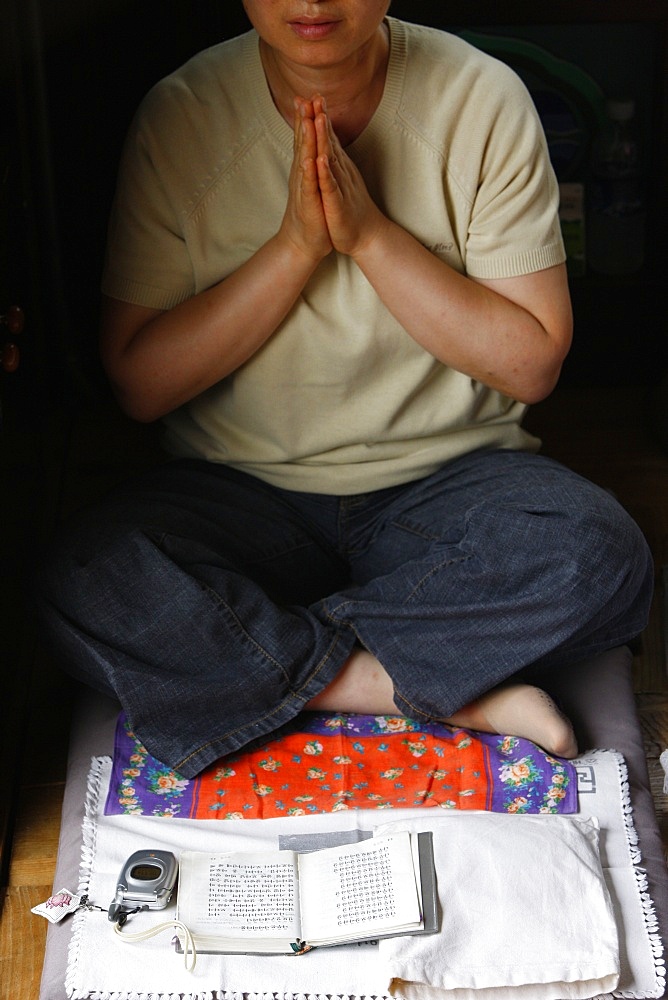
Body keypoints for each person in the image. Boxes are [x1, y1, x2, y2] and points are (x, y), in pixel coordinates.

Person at [35, 0, 653, 778]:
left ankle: (262, 659)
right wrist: (296, 247)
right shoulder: (181, 113)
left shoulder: (480, 97)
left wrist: (369, 237)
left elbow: (531, 364)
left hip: (447, 487)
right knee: (89, 577)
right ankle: (409, 683)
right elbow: (140, 384)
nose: (312, 2)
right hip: (239, 492)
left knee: (595, 553)